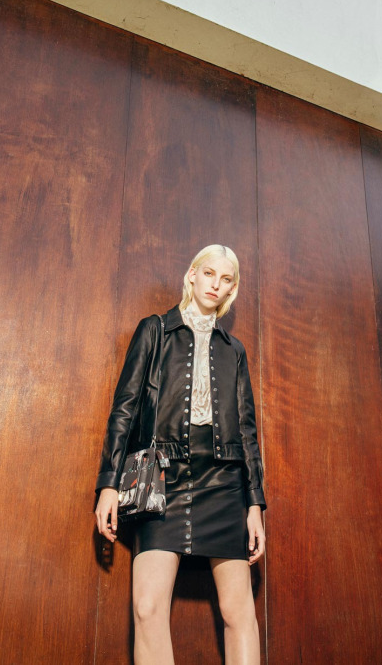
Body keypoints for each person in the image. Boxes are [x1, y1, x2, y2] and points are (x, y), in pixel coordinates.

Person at [95, 244, 266, 665]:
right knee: (147, 607)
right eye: (209, 274)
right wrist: (108, 485)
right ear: (192, 275)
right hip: (161, 478)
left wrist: (254, 504)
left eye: (226, 279)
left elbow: (247, 432)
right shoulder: (154, 331)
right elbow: (124, 409)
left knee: (238, 612)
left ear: (232, 289)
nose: (216, 285)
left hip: (224, 484)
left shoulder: (234, 350)